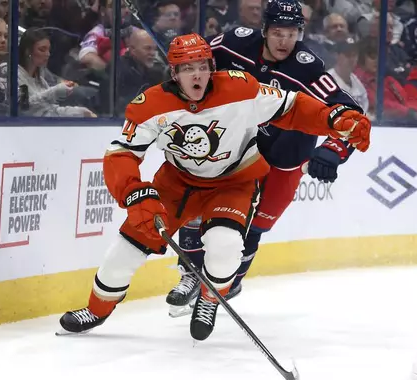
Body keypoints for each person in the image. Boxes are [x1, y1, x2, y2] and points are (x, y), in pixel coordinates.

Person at [58, 33, 371, 341]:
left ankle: (209, 300)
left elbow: (292, 107)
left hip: (234, 182)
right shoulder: (149, 105)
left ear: (212, 66)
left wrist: (332, 119)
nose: (197, 75)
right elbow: (122, 154)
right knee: (124, 252)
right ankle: (96, 310)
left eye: (202, 66)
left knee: (225, 244)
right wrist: (134, 193)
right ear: (173, 73)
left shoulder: (241, 88)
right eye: (187, 68)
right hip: (176, 184)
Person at [165, 0, 365, 317]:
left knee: (253, 229)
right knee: (197, 200)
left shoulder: (307, 67)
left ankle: (221, 289)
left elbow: (351, 113)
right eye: (277, 33)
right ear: (264, 30)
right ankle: (191, 273)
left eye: (291, 33)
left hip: (285, 157)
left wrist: (333, 149)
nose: (284, 41)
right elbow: (199, 61)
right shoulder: (235, 42)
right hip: (238, 147)